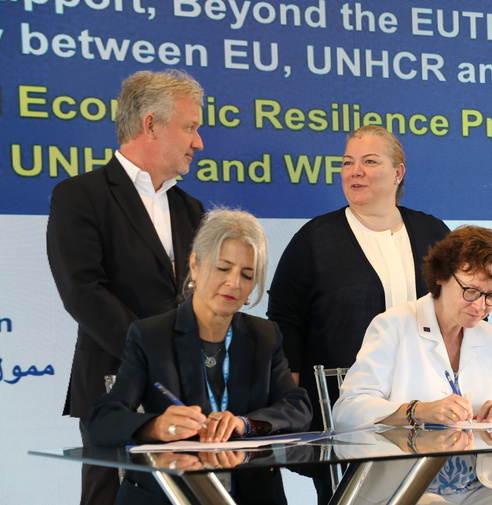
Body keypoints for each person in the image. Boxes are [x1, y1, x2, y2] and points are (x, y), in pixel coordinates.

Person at [46, 69, 206, 505]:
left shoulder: (190, 208)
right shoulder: (80, 195)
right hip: (113, 387)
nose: (199, 142)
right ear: (150, 124)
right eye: (190, 127)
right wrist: (152, 357)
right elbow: (83, 292)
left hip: (185, 393)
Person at [89, 208, 313, 505]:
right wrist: (157, 426)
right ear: (195, 265)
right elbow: (104, 420)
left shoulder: (265, 335)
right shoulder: (150, 335)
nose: (234, 283)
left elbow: (298, 406)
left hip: (250, 492)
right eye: (223, 268)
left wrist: (245, 424)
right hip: (169, 493)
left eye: (247, 275)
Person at [333, 225, 492, 505]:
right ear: (441, 277)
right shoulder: (394, 325)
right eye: (471, 291)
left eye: (491, 296)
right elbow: (347, 410)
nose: (480, 307)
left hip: (477, 487)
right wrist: (419, 411)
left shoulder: (490, 338)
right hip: (404, 489)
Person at [267, 124, 449, 431]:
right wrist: (286, 403)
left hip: (431, 406)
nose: (355, 171)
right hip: (346, 413)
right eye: (347, 162)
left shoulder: (434, 234)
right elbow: (286, 321)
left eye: (370, 161)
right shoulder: (314, 239)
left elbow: (463, 311)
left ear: (398, 173)